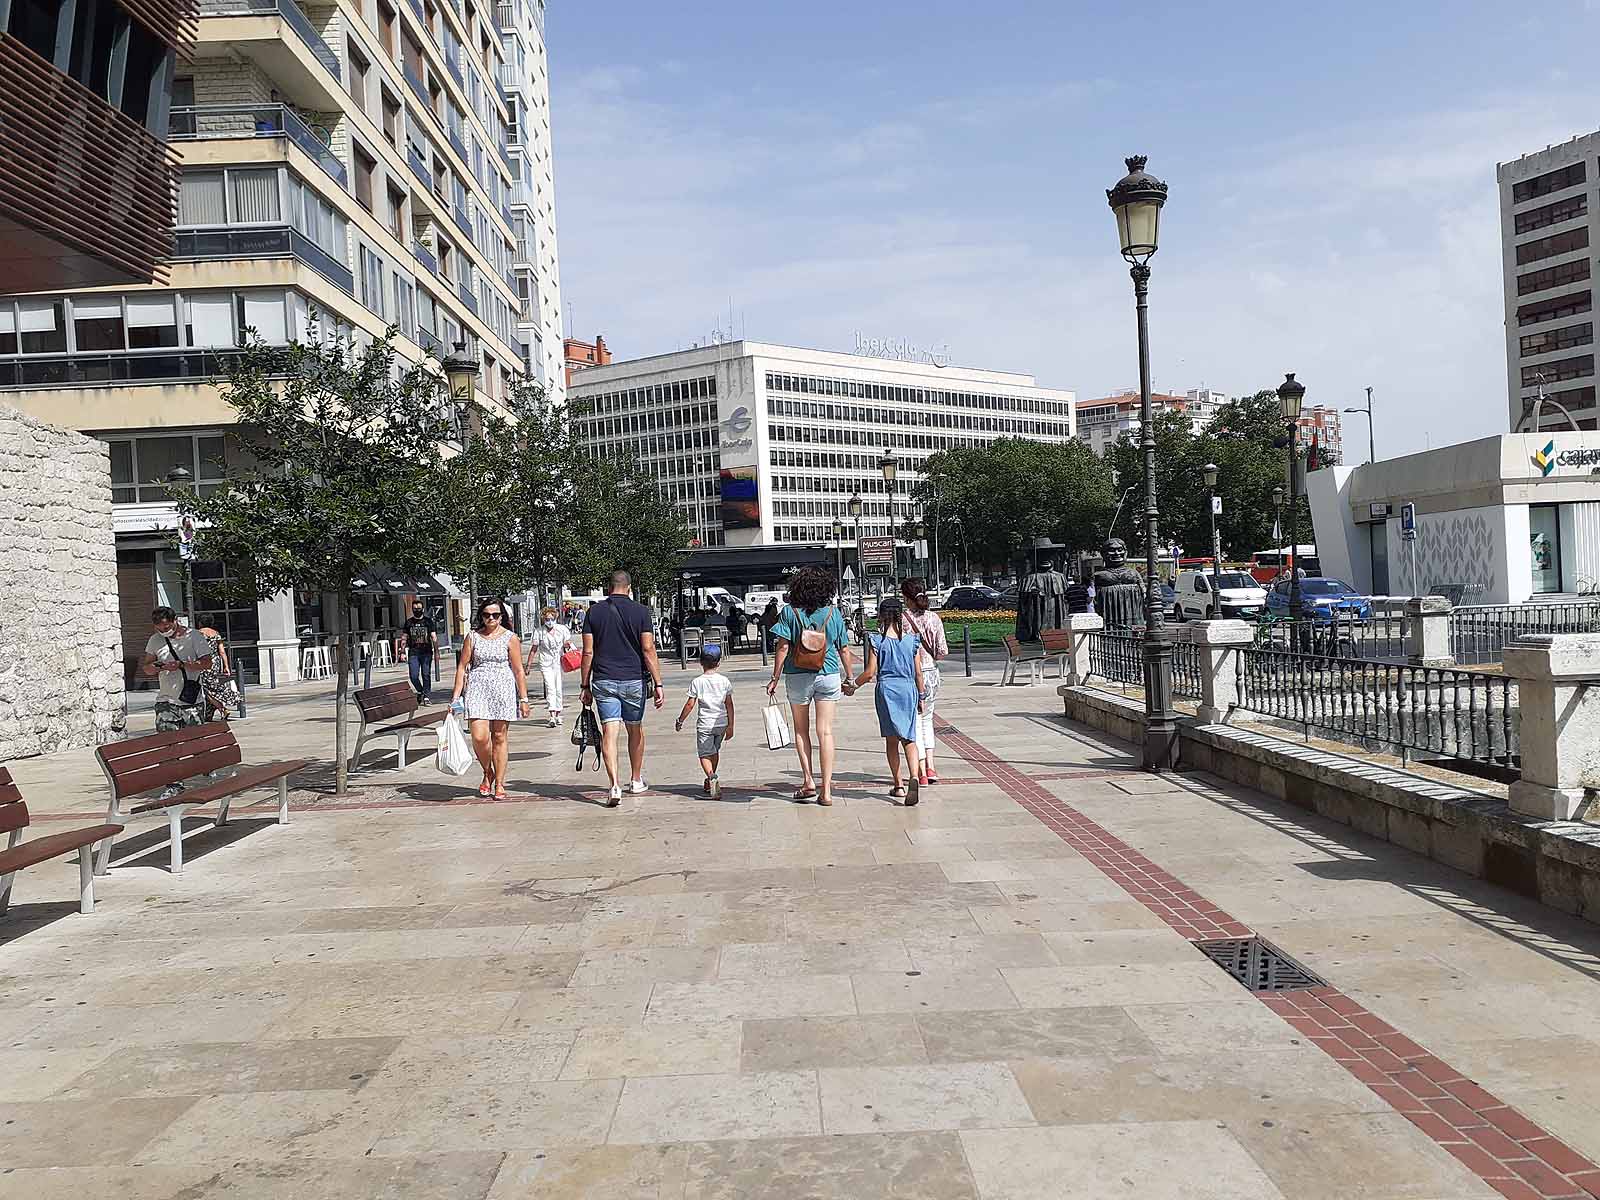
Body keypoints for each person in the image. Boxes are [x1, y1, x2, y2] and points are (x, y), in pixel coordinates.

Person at [765, 566, 852, 806]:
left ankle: (808, 781)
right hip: (829, 673)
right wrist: (850, 677)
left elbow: (782, 647)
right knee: (825, 731)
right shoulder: (833, 614)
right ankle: (826, 790)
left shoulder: (789, 613)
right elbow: (844, 648)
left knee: (801, 730)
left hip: (798, 674)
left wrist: (774, 677)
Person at [581, 569, 665, 806]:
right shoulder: (641, 612)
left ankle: (614, 785)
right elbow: (648, 649)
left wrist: (585, 685)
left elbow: (588, 651)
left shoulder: (594, 612)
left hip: (604, 679)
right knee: (635, 729)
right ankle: (636, 779)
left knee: (610, 731)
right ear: (629, 587)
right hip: (633, 680)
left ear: (609, 588)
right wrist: (658, 683)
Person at [449, 597, 531, 799]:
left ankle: (499, 783)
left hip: (502, 688)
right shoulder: (473, 637)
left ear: (501, 616)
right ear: (481, 616)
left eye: (495, 615)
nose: (491, 619)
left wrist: (524, 699)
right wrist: (455, 697)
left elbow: (518, 669)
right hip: (477, 687)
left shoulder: (510, 637)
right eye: (486, 615)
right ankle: (488, 771)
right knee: (479, 736)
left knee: (499, 736)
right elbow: (462, 667)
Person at [852, 597, 927, 805]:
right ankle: (914, 775)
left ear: (881, 615)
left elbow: (869, 673)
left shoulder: (877, 641)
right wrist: (921, 697)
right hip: (908, 689)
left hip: (886, 690)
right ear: (900, 614)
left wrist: (852, 686)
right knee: (909, 738)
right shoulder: (912, 641)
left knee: (891, 740)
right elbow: (918, 673)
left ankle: (899, 785)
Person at [142, 607, 214, 798]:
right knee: (168, 746)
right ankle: (174, 784)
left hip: (191, 700)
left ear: (176, 621)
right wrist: (159, 666)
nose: (164, 630)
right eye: (159, 627)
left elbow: (207, 663)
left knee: (196, 744)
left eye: (167, 625)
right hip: (166, 700)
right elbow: (147, 667)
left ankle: (207, 772)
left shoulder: (194, 636)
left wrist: (182, 665)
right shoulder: (155, 640)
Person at [899, 579, 948, 784]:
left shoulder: (902, 620)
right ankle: (931, 767)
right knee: (928, 719)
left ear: (907, 597)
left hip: (911, 674)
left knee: (915, 721)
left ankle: (919, 771)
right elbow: (942, 651)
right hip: (932, 673)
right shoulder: (934, 618)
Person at [675, 645, 735, 798]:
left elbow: (690, 704)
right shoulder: (724, 681)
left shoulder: (697, 682)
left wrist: (680, 720)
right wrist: (731, 725)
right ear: (719, 662)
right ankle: (710, 781)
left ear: (700, 662)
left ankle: (711, 776)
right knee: (714, 751)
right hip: (721, 723)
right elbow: (729, 704)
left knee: (704, 754)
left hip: (705, 724)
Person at [526, 606, 576, 728]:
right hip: (545, 662)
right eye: (547, 619)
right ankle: (552, 714)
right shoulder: (539, 631)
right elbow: (534, 649)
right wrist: (528, 665)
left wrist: (570, 647)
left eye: (552, 618)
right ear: (544, 619)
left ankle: (558, 713)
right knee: (550, 687)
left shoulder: (562, 629)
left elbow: (568, 643)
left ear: (555, 618)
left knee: (558, 687)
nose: (549, 621)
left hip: (558, 661)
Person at [196, 625, 241, 721]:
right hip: (214, 663)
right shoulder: (216, 634)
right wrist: (226, 666)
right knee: (211, 685)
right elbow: (222, 651)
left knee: (206, 688)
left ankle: (222, 708)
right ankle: (209, 714)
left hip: (203, 662)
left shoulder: (197, 634)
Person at [402, 601, 438, 703]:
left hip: (426, 652)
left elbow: (433, 637)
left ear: (422, 609)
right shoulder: (409, 622)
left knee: (426, 674)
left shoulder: (428, 621)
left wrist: (436, 652)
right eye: (415, 609)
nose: (417, 610)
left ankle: (426, 696)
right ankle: (421, 691)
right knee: (413, 676)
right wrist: (402, 652)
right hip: (413, 652)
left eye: (419, 608)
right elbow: (404, 637)